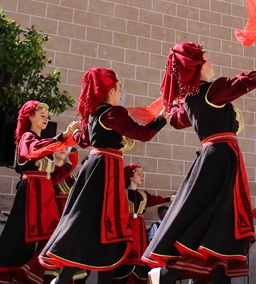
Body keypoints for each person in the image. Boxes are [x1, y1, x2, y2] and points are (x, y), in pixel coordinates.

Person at [142, 29, 256, 284]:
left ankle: (175, 273)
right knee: (221, 221)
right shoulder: (213, 91)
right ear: (198, 67)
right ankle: (167, 274)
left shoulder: (191, 100)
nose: (211, 62)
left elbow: (177, 121)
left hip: (211, 157)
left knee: (215, 223)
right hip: (221, 159)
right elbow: (255, 77)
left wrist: (169, 106)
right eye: (207, 59)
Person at [39, 69, 168, 284]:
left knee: (87, 223)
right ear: (110, 90)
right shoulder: (114, 113)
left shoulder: (95, 115)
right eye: (119, 88)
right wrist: (162, 118)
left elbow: (83, 140)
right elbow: (142, 134)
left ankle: (63, 278)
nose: (120, 92)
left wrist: (76, 132)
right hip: (106, 169)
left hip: (93, 167)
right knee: (107, 223)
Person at [0, 101, 80, 284]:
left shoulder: (41, 144)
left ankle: (37, 274)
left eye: (47, 116)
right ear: (30, 117)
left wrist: (70, 165)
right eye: (42, 115)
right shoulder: (27, 138)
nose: (46, 119)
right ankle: (25, 275)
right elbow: (34, 151)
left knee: (52, 237)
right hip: (32, 194)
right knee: (40, 238)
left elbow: (53, 176)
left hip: (44, 195)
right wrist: (63, 136)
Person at [114, 164, 174, 284]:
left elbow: (158, 199)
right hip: (127, 228)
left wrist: (172, 198)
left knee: (140, 256)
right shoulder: (122, 193)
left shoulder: (144, 195)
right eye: (138, 173)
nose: (142, 176)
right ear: (130, 176)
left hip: (139, 231)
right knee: (125, 256)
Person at [51, 148, 79, 214]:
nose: (63, 149)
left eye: (66, 148)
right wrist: (68, 166)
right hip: (53, 214)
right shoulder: (48, 172)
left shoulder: (72, 178)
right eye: (59, 146)